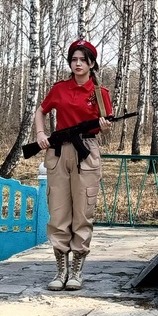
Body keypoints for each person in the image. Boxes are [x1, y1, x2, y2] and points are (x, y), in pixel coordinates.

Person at [34, 39, 112, 291]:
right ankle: (60, 271)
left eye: (82, 59)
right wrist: (40, 133)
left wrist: (104, 126)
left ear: (92, 63)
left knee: (83, 211)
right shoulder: (59, 89)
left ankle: (76, 271)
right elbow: (41, 110)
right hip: (58, 152)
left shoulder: (100, 94)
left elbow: (105, 125)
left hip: (86, 150)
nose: (77, 64)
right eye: (73, 59)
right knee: (58, 212)